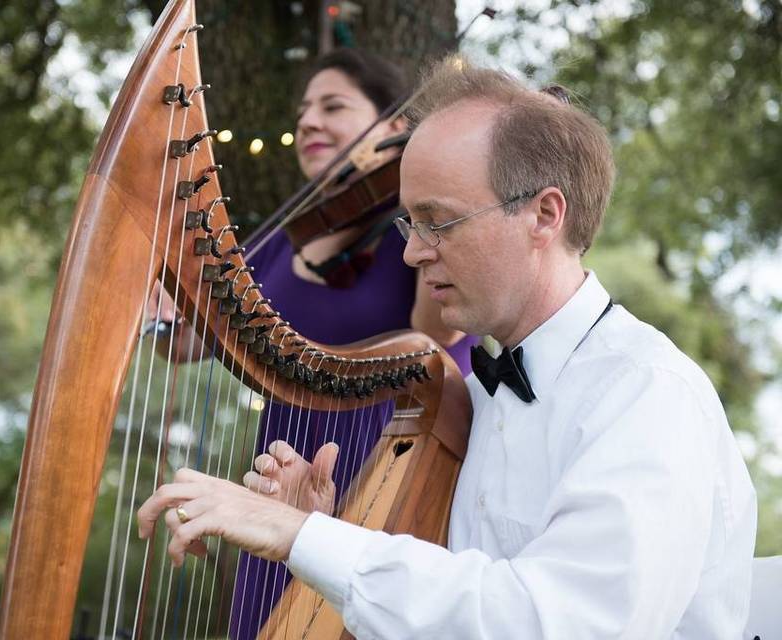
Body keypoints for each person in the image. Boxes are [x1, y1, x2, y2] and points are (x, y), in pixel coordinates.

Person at [137, 54, 759, 638]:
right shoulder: (473, 406)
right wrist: (326, 526)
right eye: (410, 222)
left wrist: (302, 536)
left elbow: (557, 622)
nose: (411, 251)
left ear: (544, 215)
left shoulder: (645, 394)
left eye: (440, 221)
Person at [149, 49, 479, 638]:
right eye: (303, 111)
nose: (308, 122)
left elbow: (437, 333)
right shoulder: (280, 243)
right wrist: (162, 302)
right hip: (279, 488)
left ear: (397, 128)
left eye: (333, 106)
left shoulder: (423, 230)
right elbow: (185, 345)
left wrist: (420, 197)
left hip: (396, 474)